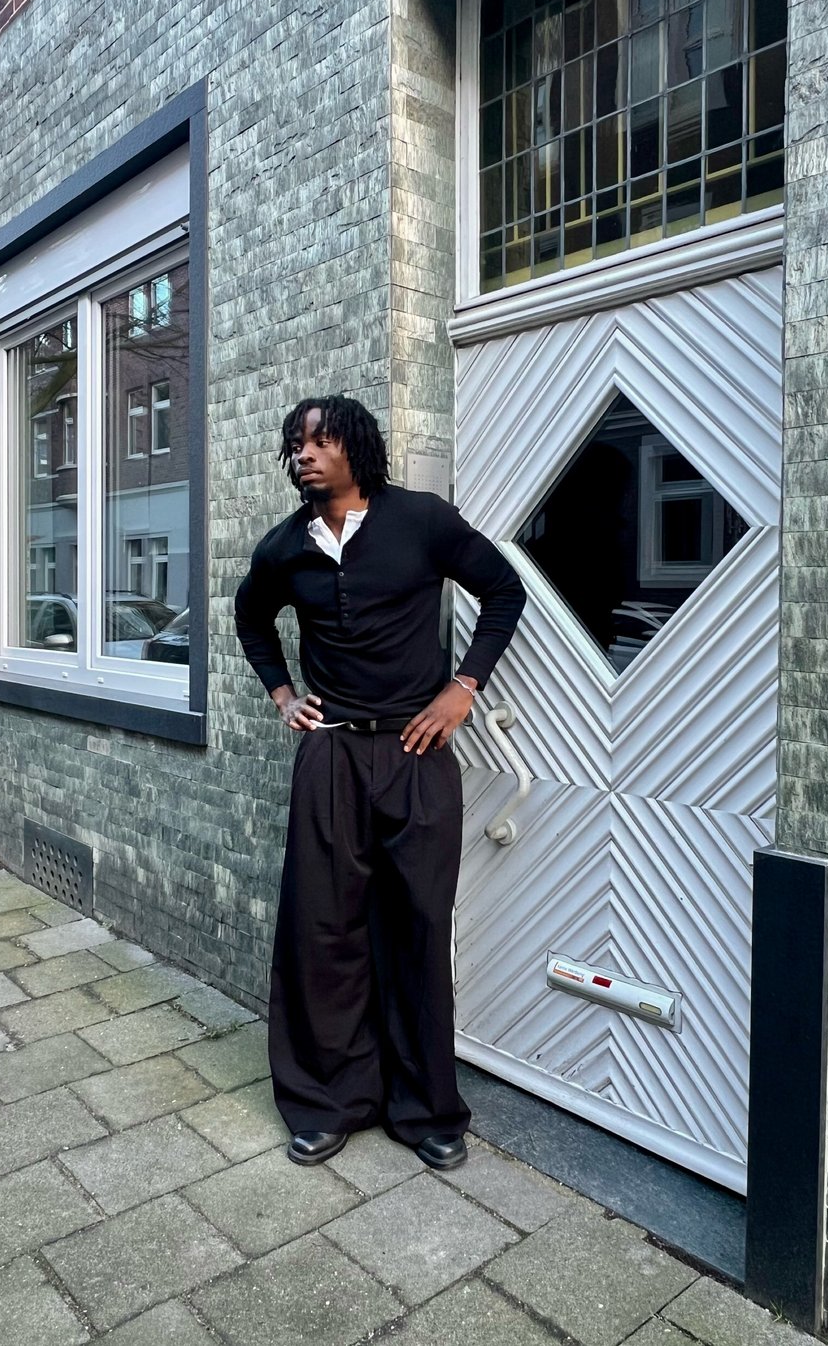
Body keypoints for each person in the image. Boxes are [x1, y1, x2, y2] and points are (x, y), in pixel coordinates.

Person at [235, 395, 525, 1170]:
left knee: (419, 927)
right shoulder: (285, 547)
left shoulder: (421, 521)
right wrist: (284, 697)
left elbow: (504, 592)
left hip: (415, 753)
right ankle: (329, 1102)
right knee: (323, 931)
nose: (305, 454)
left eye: (320, 440)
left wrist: (462, 688)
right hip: (330, 756)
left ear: (356, 447)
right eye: (296, 443)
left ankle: (425, 1108)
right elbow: (251, 621)